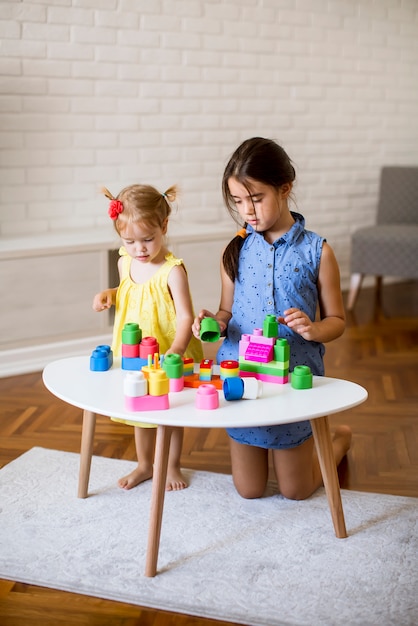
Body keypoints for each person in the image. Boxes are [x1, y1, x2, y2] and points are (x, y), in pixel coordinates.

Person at [192, 137, 352, 501]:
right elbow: (226, 313)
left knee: (296, 490)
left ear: (285, 188)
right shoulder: (235, 249)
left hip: (291, 377)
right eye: (238, 201)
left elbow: (337, 320)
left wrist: (313, 330)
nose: (247, 210)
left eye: (256, 198)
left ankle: (338, 438)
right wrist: (211, 324)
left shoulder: (317, 251)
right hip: (243, 377)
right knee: (248, 490)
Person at [93, 184, 203, 491]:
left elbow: (184, 315)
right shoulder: (124, 261)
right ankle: (144, 464)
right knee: (137, 409)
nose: (139, 248)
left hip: (168, 351)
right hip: (134, 354)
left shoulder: (172, 271)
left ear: (164, 226)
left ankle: (171, 465)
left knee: (168, 411)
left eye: (147, 239)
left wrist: (179, 349)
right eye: (129, 241)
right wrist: (110, 294)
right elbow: (130, 292)